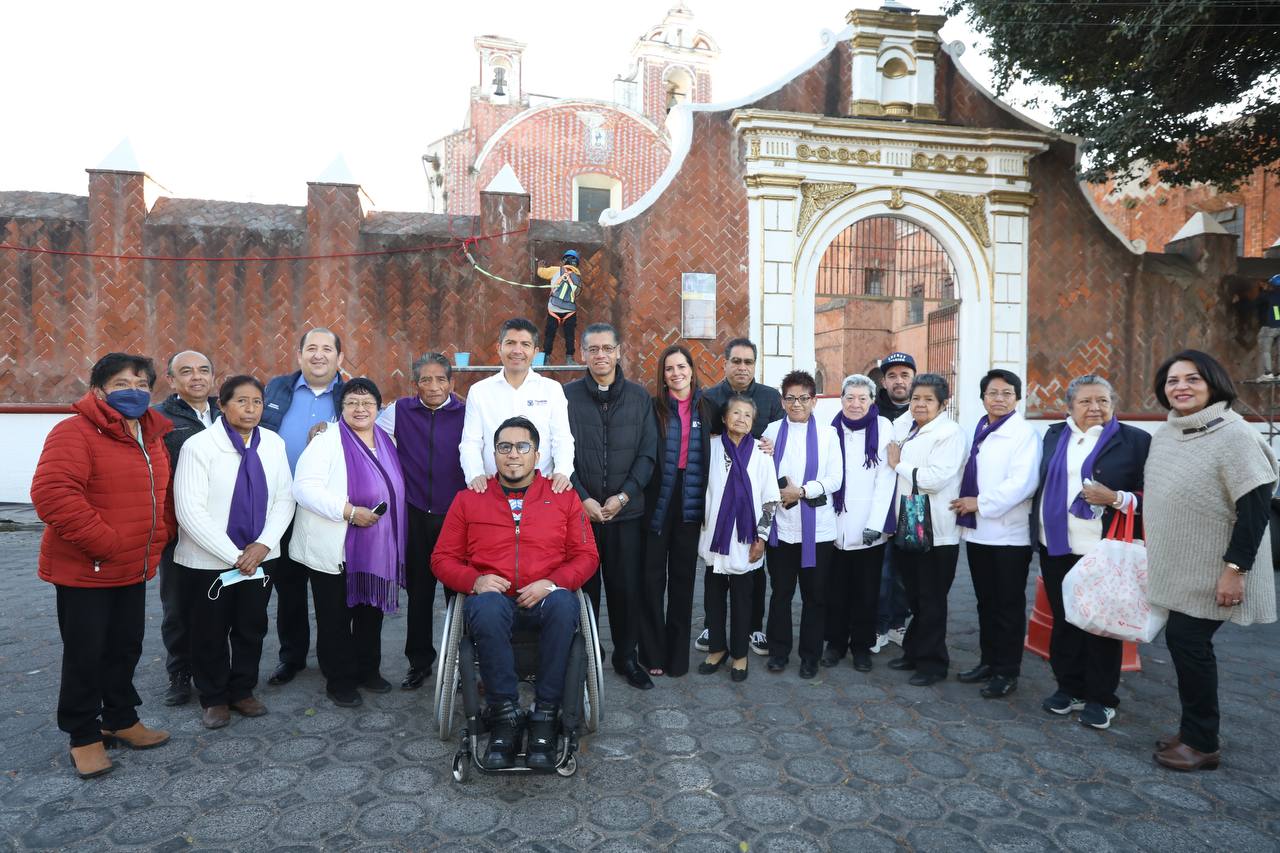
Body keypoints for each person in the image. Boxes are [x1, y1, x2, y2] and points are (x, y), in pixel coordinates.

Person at [31, 353, 174, 779]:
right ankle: (83, 735)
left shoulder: (150, 435)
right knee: (85, 655)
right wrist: (106, 543)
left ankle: (120, 718)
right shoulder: (74, 432)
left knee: (125, 647)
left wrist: (158, 534)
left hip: (132, 566)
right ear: (98, 390)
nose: (134, 390)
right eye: (121, 383)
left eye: (142, 383)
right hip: (87, 570)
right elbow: (53, 495)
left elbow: (157, 495)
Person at [432, 417, 598, 770]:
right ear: (494, 454)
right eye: (504, 447)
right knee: (487, 606)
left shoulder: (563, 497)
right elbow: (441, 558)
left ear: (537, 455)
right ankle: (505, 714)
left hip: (545, 594)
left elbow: (587, 556)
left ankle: (545, 714)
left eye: (522, 447)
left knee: (564, 603)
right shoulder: (468, 499)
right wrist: (474, 581)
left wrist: (552, 583)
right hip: (494, 597)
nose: (512, 455)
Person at [1145, 350, 1277, 771]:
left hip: (1218, 569)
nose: (1180, 387)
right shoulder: (1170, 432)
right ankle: (1193, 731)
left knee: (1188, 642)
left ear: (1214, 383)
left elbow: (1255, 510)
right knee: (1184, 643)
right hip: (1182, 564)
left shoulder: (1234, 435)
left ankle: (1203, 744)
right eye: (1172, 381)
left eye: (1192, 379)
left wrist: (1234, 571)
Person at [173, 376, 295, 729]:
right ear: (222, 406)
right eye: (241, 401)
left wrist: (262, 546)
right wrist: (234, 555)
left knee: (251, 626)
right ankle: (212, 697)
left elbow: (285, 498)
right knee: (208, 630)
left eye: (257, 402)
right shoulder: (200, 447)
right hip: (209, 561)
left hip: (259, 559)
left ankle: (242, 690)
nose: (251, 408)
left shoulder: (273, 443)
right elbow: (189, 510)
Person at [1030, 374, 1150, 729]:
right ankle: (1070, 688)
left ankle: (1101, 698)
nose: (1095, 408)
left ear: (1113, 404)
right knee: (1065, 620)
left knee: (1100, 625)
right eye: (1085, 401)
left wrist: (1116, 498)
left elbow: (1153, 493)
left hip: (1102, 550)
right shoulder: (1054, 435)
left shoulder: (1136, 441)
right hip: (1055, 545)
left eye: (1102, 400)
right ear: (1070, 407)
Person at [291, 378, 407, 708]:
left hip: (377, 548)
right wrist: (349, 512)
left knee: (371, 612)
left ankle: (367, 670)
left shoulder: (387, 440)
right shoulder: (327, 441)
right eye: (352, 402)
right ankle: (339, 680)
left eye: (367, 402)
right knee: (335, 617)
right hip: (337, 546)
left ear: (378, 407)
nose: (360, 409)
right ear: (341, 408)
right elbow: (304, 488)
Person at [564, 324, 658, 690]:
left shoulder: (638, 398)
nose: (600, 355)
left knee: (625, 589)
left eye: (607, 348)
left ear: (619, 351)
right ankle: (586, 656)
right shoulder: (567, 396)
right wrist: (582, 497)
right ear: (583, 354)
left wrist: (623, 497)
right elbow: (559, 454)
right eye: (593, 349)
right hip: (581, 513)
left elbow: (648, 454)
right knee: (584, 591)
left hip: (626, 514)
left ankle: (626, 656)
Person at [259, 327, 346, 687]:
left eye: (328, 349)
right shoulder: (276, 389)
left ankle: (333, 659)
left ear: (340, 358)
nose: (319, 355)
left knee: (331, 592)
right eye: (311, 348)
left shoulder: (350, 394)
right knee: (288, 588)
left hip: (329, 507)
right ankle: (291, 657)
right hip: (282, 505)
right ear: (299, 356)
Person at [376, 352, 466, 690]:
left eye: (440, 379)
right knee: (419, 593)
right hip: (413, 513)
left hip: (455, 516)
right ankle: (419, 662)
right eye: (426, 380)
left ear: (451, 383)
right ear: (415, 385)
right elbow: (364, 436)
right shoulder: (398, 411)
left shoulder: (467, 412)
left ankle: (461, 662)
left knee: (458, 593)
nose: (433, 386)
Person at [949, 369, 1041, 698]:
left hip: (1008, 537)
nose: (999, 399)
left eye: (1006, 393)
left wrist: (980, 503)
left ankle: (1007, 671)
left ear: (1018, 398)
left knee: (1007, 606)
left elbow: (1022, 484)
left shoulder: (1023, 435)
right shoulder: (982, 428)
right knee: (985, 604)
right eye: (992, 393)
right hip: (979, 535)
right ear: (983, 397)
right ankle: (988, 662)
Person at [697, 337, 784, 657]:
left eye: (748, 362)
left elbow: (778, 438)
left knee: (754, 569)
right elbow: (702, 443)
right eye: (736, 361)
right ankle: (713, 624)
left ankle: (753, 627)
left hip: (755, 490)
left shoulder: (771, 398)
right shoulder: (709, 398)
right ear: (725, 363)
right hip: (720, 492)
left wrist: (770, 448)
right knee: (713, 571)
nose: (742, 367)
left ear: (755, 365)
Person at [639, 344, 716, 679]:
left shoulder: (708, 406)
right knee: (652, 579)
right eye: (669, 368)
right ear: (663, 375)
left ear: (691, 369)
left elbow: (739, 428)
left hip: (690, 500)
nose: (676, 373)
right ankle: (652, 652)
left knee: (683, 582)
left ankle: (677, 656)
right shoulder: (652, 408)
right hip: (658, 500)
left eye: (681, 366)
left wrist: (764, 442)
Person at [884, 374, 966, 686]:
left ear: (943, 404)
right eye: (916, 398)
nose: (920, 404)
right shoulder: (908, 426)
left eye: (928, 399)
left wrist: (898, 465)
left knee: (932, 598)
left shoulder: (949, 432)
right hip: (909, 525)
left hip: (937, 530)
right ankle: (913, 652)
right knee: (915, 596)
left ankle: (933, 663)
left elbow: (936, 478)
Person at [762, 371, 842, 678]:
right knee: (781, 593)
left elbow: (836, 478)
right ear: (782, 401)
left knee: (815, 596)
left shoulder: (827, 434)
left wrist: (804, 491)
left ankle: (811, 656)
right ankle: (779, 652)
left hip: (818, 529)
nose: (797, 404)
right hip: (781, 528)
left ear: (814, 401)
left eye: (804, 398)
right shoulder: (769, 432)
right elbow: (762, 474)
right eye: (791, 398)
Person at [152, 350, 220, 707]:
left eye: (204, 371)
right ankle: (179, 672)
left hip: (224, 529)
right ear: (171, 378)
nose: (197, 377)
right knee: (177, 605)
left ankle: (216, 667)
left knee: (217, 602)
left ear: (213, 378)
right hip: (178, 528)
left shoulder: (226, 415)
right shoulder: (159, 419)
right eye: (187, 371)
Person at [823, 374, 896, 673]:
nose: (855, 404)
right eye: (849, 398)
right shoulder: (830, 428)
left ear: (871, 400)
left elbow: (885, 478)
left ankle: (862, 647)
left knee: (867, 591)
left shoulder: (883, 427)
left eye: (861, 398)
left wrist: (876, 522)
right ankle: (835, 643)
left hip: (869, 525)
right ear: (841, 399)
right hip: (836, 523)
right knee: (835, 590)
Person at [460, 317, 574, 495]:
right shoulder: (479, 391)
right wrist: (475, 475)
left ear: (535, 352)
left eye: (525, 344)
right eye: (510, 343)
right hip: (491, 490)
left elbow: (562, 439)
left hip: (542, 490)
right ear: (499, 348)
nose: (517, 350)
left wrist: (563, 472)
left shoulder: (552, 389)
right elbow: (471, 442)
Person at [874, 351, 916, 654]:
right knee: (881, 568)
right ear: (884, 381)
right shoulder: (872, 412)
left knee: (905, 567)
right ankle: (878, 623)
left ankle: (899, 621)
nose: (898, 381)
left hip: (912, 505)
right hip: (878, 503)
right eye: (892, 376)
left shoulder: (924, 413)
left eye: (904, 375)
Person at [537, 249, 584, 364]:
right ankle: (569, 359)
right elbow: (577, 293)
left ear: (564, 261)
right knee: (569, 335)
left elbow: (541, 273)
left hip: (554, 308)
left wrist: (540, 267)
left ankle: (546, 358)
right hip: (570, 311)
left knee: (550, 334)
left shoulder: (556, 270)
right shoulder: (578, 277)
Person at [1256, 274, 1280, 379]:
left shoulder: (1269, 295)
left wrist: (1263, 290)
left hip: (1271, 327)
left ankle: (1268, 373)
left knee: (1265, 349)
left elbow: (1256, 303)